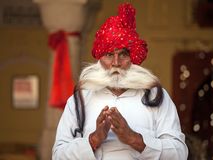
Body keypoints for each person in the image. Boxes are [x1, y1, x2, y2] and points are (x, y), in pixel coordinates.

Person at [52, 3, 188, 160]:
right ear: (99, 58)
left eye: (123, 54)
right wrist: (94, 139)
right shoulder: (80, 100)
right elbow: (58, 155)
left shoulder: (156, 97)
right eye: (109, 54)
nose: (116, 63)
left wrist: (134, 139)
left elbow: (180, 153)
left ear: (133, 58)